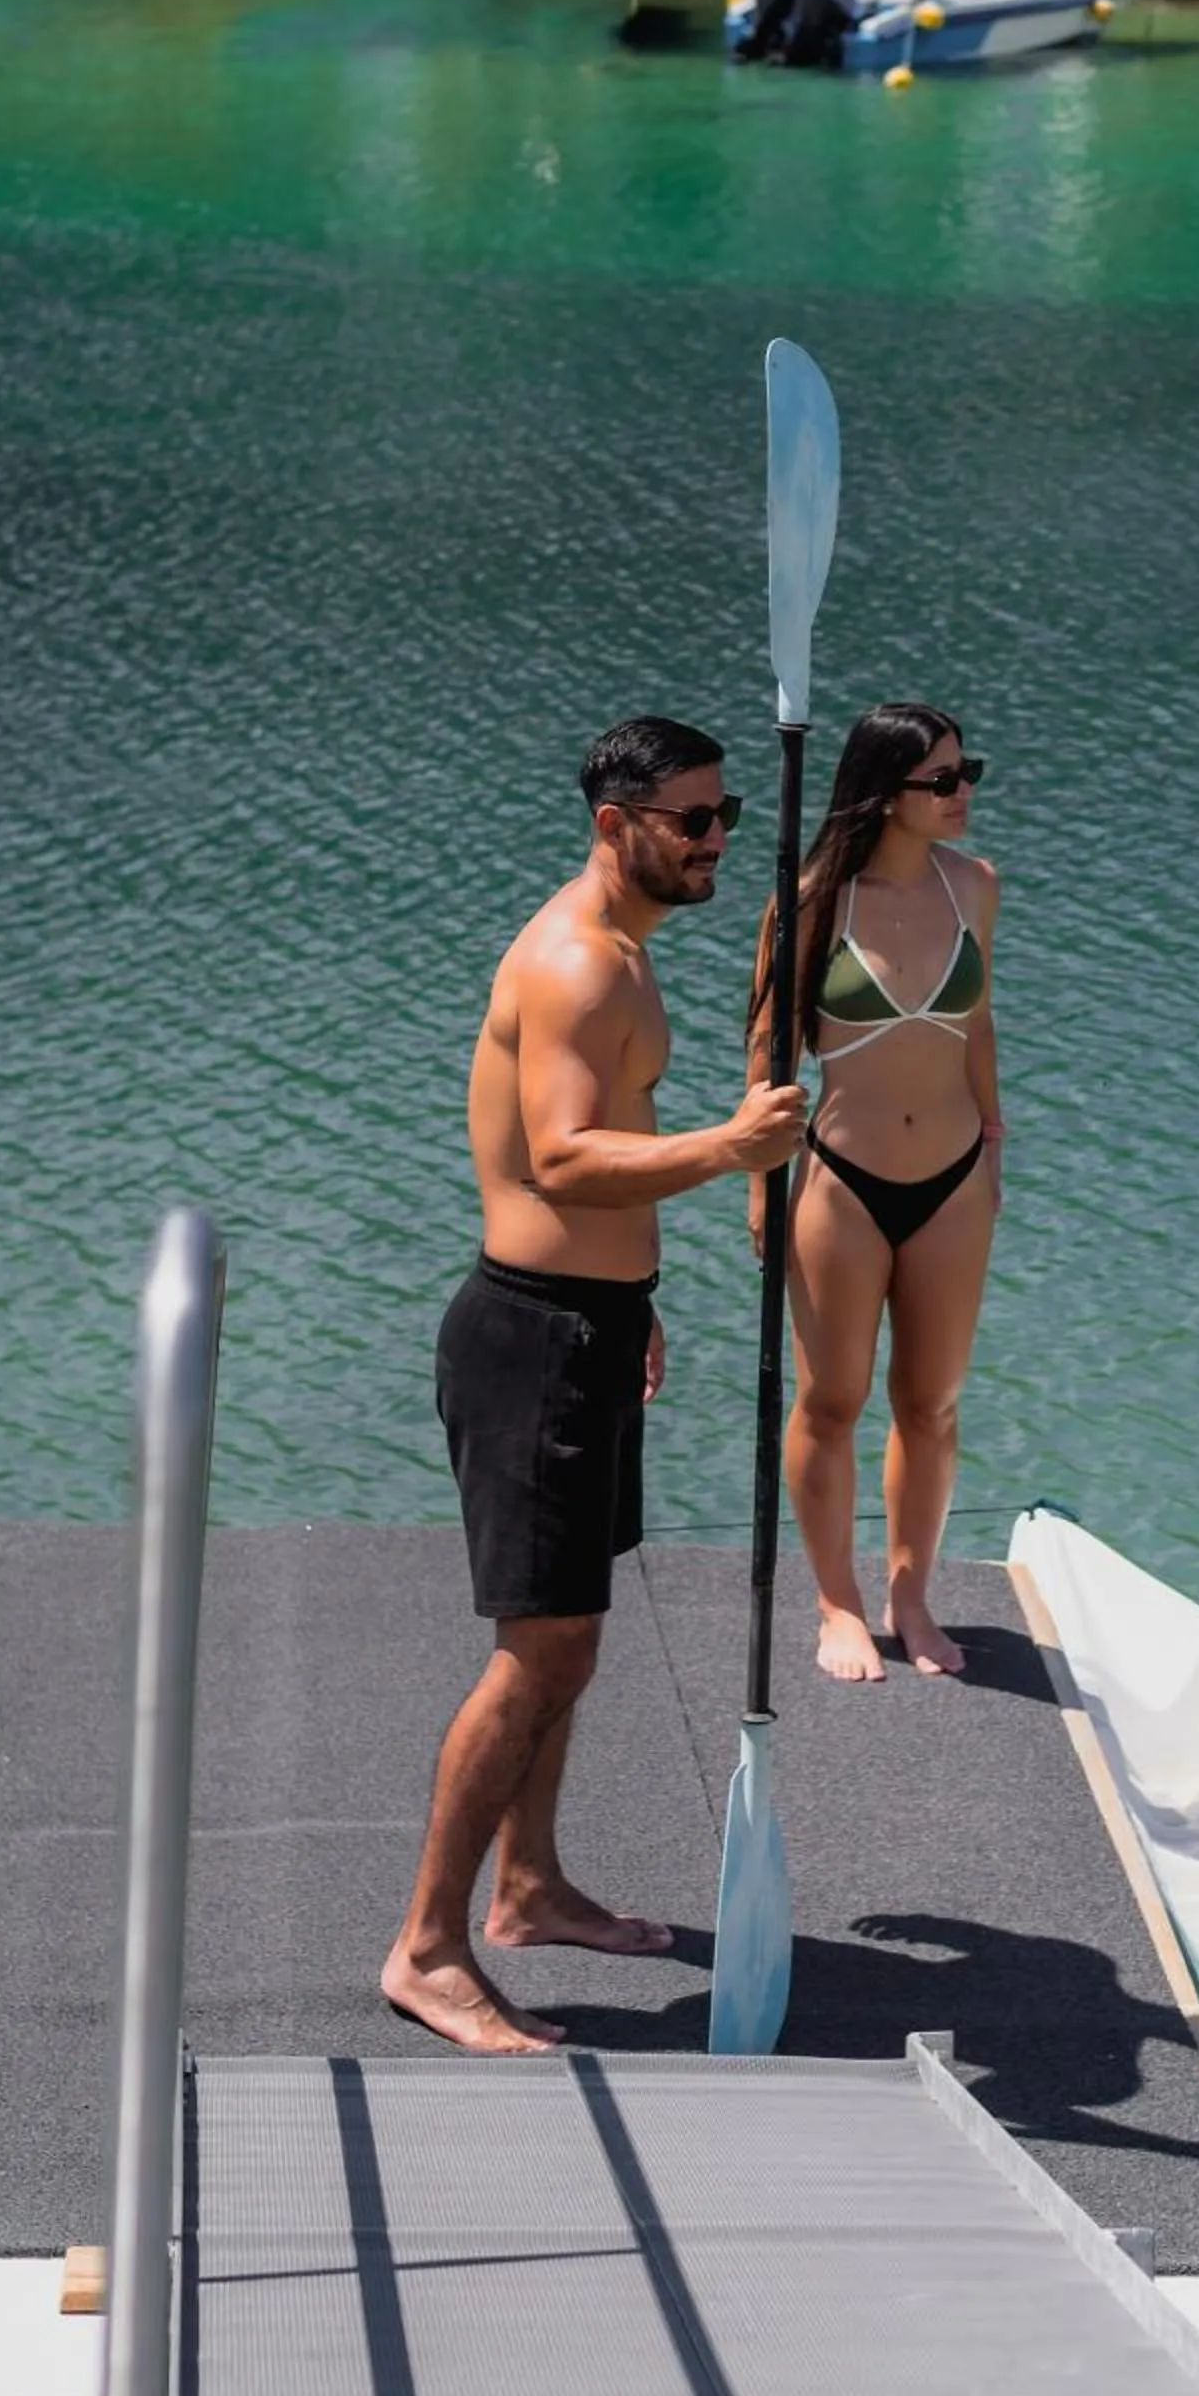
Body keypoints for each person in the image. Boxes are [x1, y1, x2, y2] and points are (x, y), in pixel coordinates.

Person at [383, 716, 808, 2054]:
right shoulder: (575, 962)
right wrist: (732, 1147)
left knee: (572, 1633)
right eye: (694, 821)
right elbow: (563, 1156)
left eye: (728, 815)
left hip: (590, 1322)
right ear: (617, 824)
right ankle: (427, 1949)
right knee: (543, 1650)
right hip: (532, 1341)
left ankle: (528, 1887)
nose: (718, 841)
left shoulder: (624, 950)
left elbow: (593, 1159)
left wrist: (634, 1298)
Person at [747, 704, 1000, 1681]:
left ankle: (910, 1596)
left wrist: (995, 1145)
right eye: (942, 779)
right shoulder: (812, 898)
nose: (962, 791)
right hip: (840, 1180)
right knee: (832, 1401)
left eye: (967, 771)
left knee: (931, 1403)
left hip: (954, 1180)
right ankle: (837, 1604)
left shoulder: (974, 886)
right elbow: (768, 1045)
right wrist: (762, 1185)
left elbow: (978, 1025)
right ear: (884, 793)